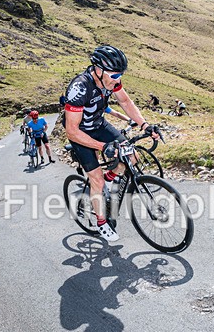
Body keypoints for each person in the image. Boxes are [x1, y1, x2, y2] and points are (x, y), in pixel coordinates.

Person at [63, 45, 158, 242]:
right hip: (80, 133)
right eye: (114, 75)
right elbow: (72, 131)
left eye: (120, 75)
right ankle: (101, 223)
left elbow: (125, 102)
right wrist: (102, 147)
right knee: (96, 179)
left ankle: (109, 177)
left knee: (131, 155)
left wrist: (144, 125)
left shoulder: (111, 81)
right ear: (98, 70)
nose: (117, 79)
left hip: (99, 125)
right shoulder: (80, 87)